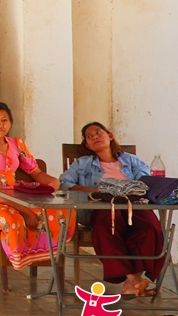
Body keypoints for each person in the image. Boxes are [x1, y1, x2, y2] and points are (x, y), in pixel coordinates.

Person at [60, 122, 166, 297]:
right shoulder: (82, 164)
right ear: (87, 145)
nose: (95, 137)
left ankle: (131, 284)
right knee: (106, 227)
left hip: (132, 205)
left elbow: (147, 183)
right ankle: (134, 279)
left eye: (98, 132)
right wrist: (95, 190)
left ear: (110, 135)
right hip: (101, 205)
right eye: (89, 136)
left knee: (150, 226)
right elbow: (64, 184)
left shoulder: (131, 161)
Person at [0, 102, 75, 270]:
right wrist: (23, 210)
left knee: (63, 211)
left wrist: (54, 183)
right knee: (13, 219)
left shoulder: (16, 144)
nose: (0, 124)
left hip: (17, 198)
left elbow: (36, 172)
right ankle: (20, 259)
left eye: (4, 120)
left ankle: (46, 255)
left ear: (10, 123)